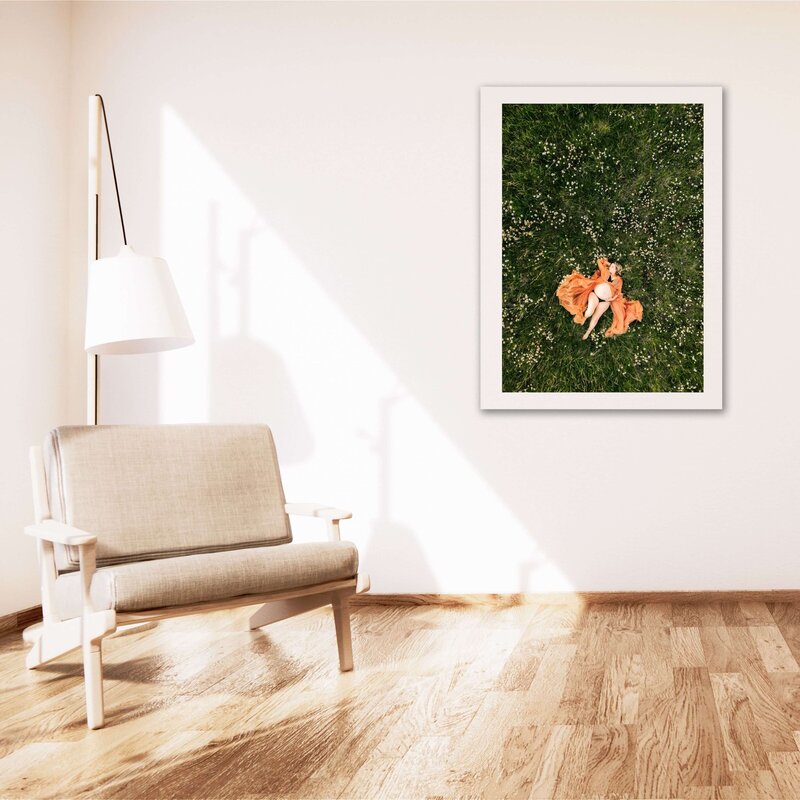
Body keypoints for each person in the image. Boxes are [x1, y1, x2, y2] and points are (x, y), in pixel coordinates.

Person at [556, 257, 643, 339]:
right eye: (610, 266)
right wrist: (608, 263)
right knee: (589, 312)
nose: (610, 267)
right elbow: (599, 261)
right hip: (595, 295)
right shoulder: (605, 271)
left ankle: (588, 332)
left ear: (616, 270)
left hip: (606, 301)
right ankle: (584, 318)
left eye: (612, 267)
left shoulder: (619, 280)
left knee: (596, 317)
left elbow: (618, 292)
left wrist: (611, 299)